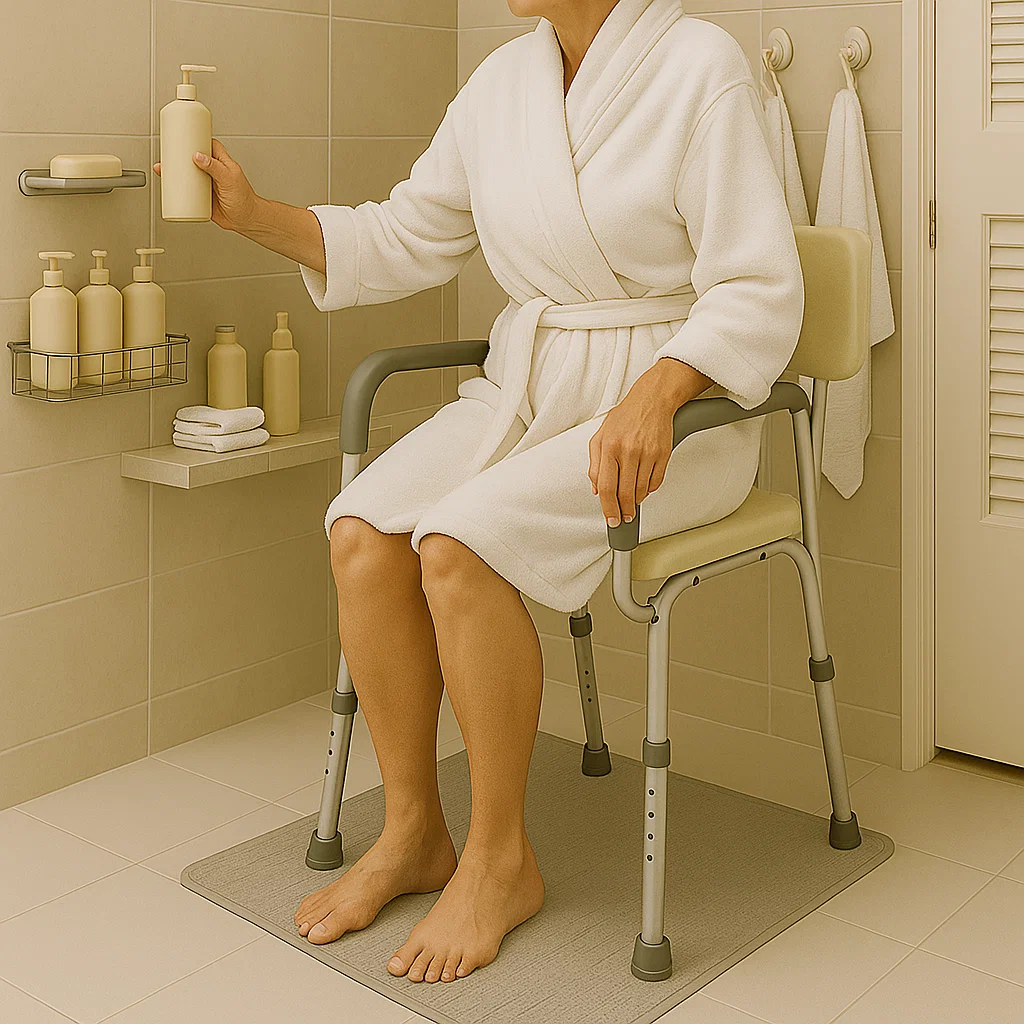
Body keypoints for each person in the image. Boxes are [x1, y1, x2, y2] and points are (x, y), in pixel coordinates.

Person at [156, 0, 802, 986]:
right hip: (529, 389)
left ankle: (501, 860)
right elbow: (405, 236)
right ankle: (415, 828)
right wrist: (254, 215)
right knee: (363, 526)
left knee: (456, 542)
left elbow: (758, 286)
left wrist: (661, 390)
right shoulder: (504, 86)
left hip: (674, 414)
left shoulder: (697, 66)